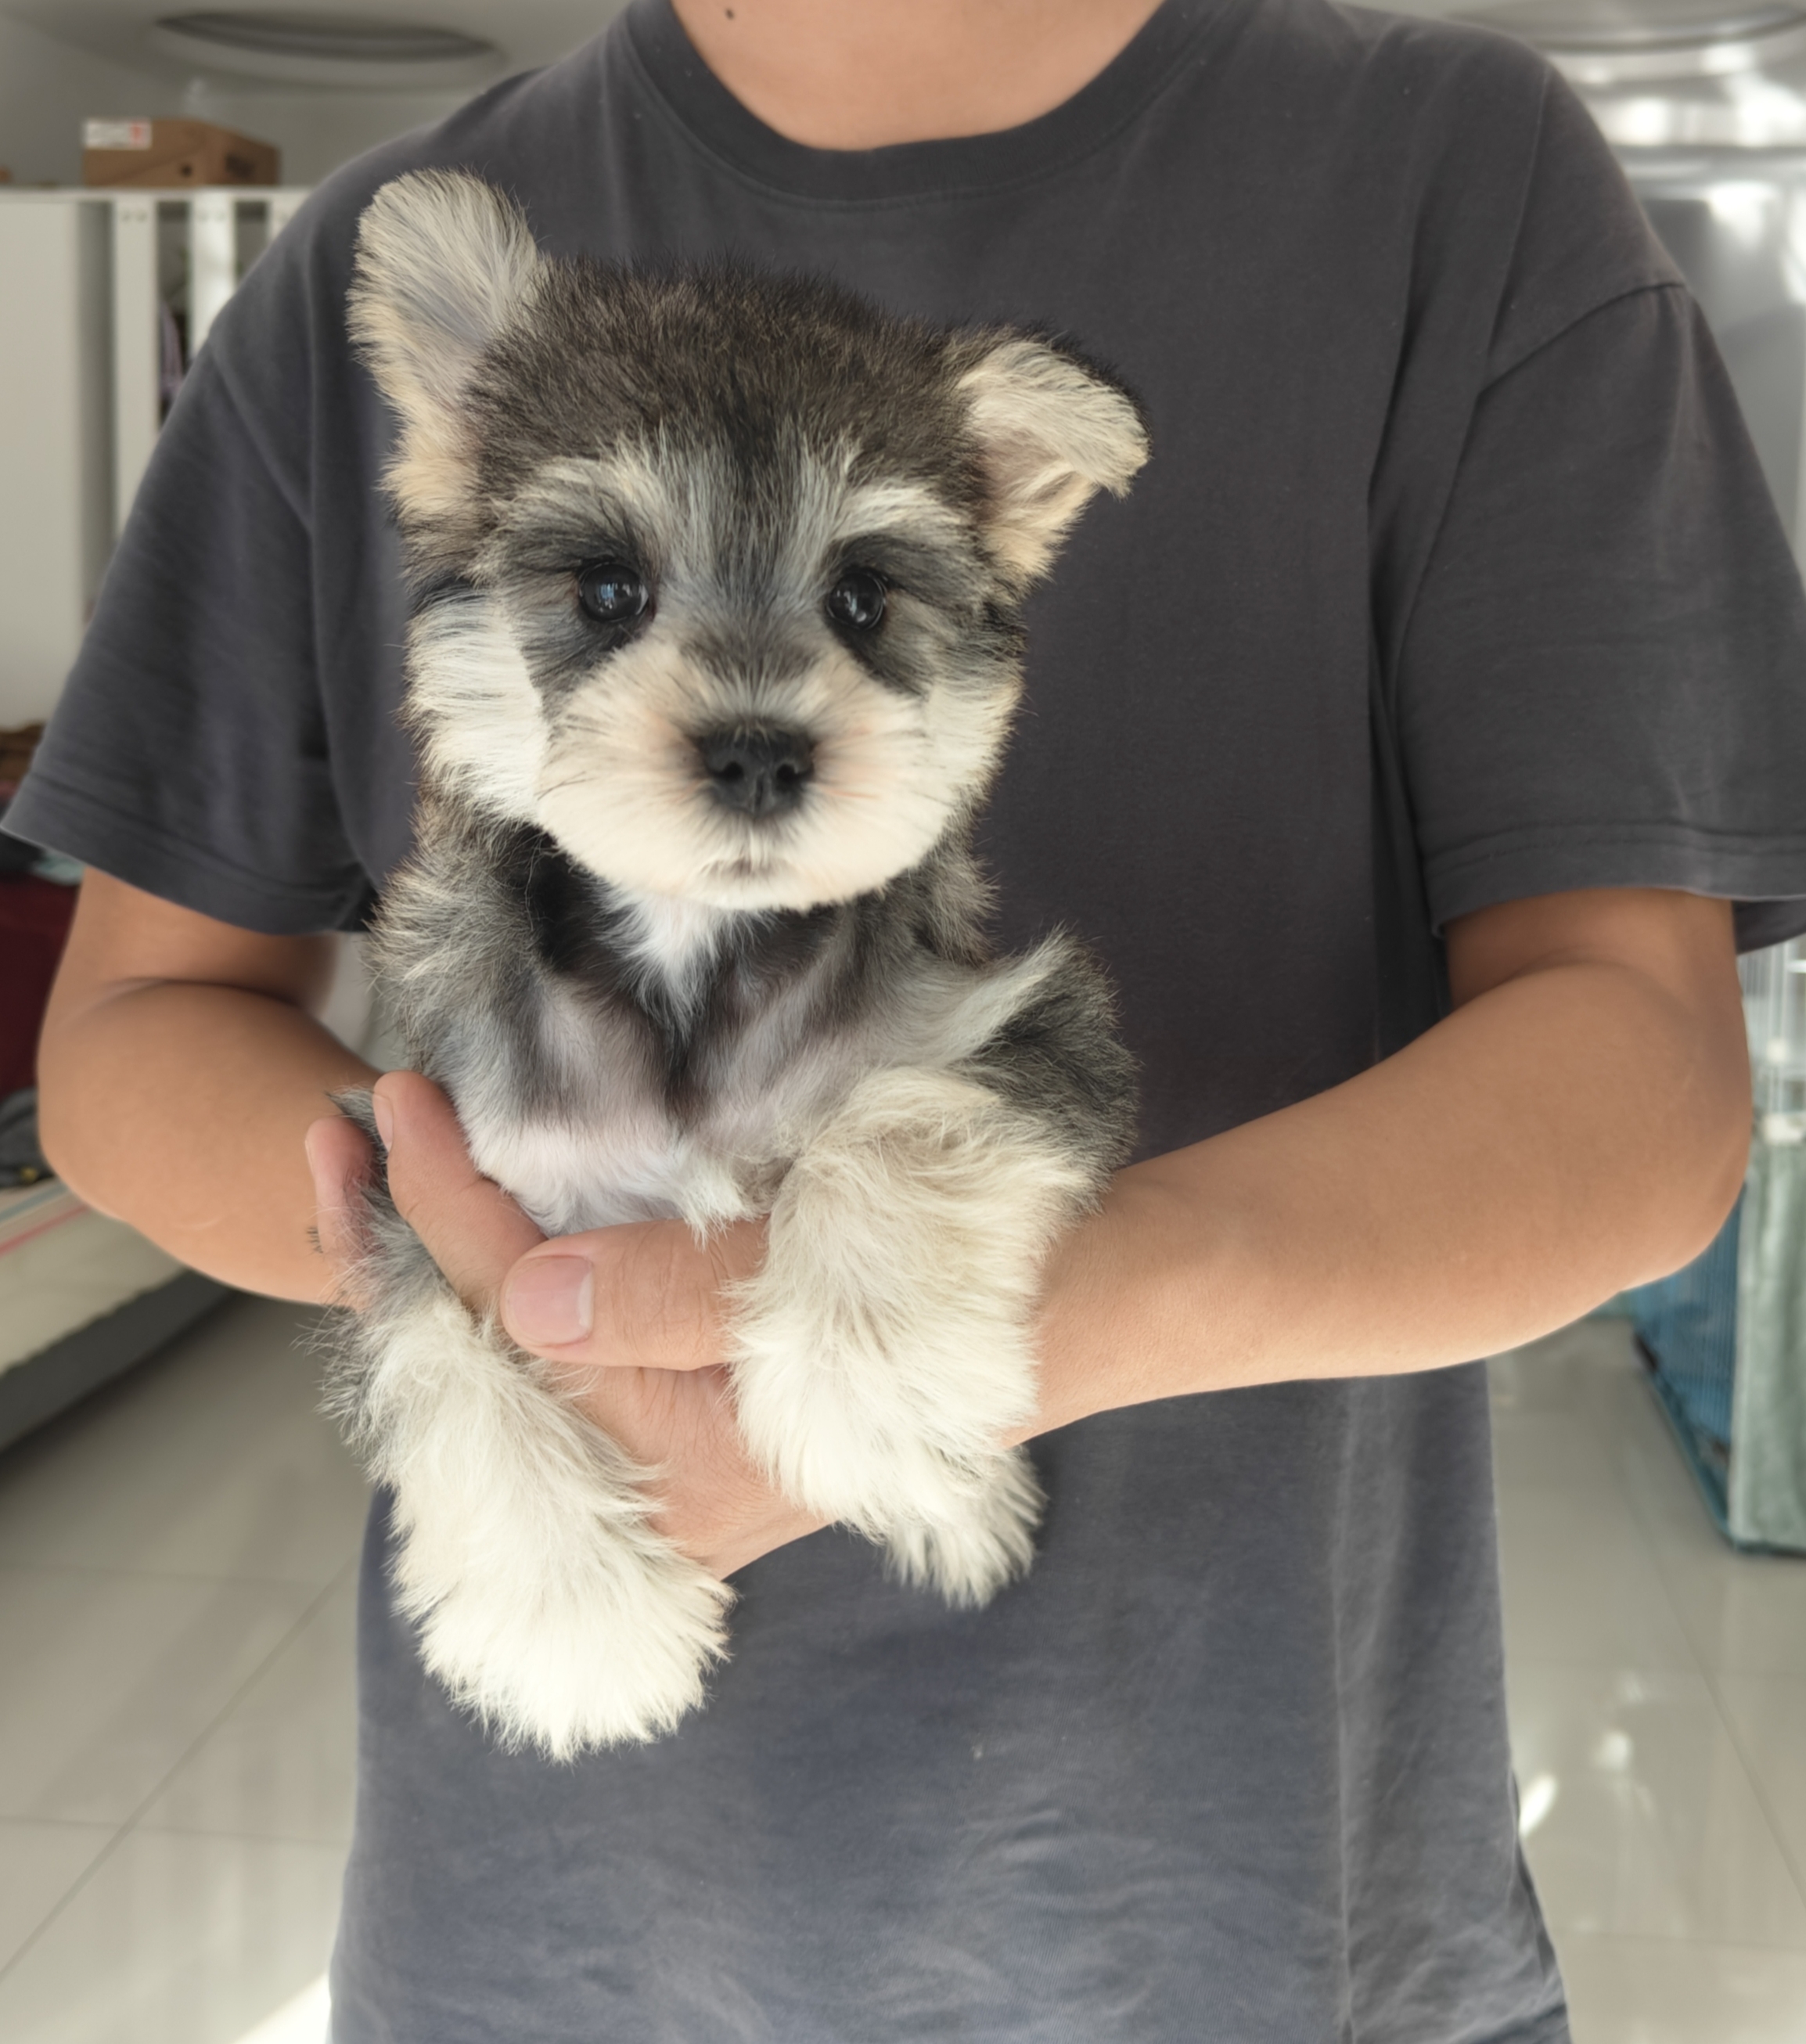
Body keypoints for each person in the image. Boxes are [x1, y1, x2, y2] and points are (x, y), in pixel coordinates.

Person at [11, 0, 1804, 2035]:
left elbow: (1645, 1079)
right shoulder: (379, 263)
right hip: (545, 1926)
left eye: (864, 606)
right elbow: (134, 1027)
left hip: (1254, 1904)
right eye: (610, 594)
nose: (754, 714)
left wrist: (1002, 1309)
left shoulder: (1454, 179)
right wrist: (480, 1295)